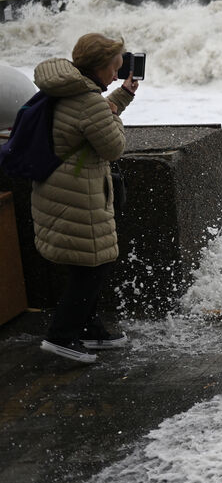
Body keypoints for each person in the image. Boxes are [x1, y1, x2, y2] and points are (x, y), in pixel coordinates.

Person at [33, 33, 138, 363]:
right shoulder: (87, 99)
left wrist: (121, 97)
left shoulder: (68, 88)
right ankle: (61, 337)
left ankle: (89, 328)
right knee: (93, 265)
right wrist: (116, 115)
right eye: (114, 69)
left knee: (88, 262)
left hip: (60, 187)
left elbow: (88, 121)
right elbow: (113, 146)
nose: (116, 75)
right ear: (100, 66)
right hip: (78, 192)